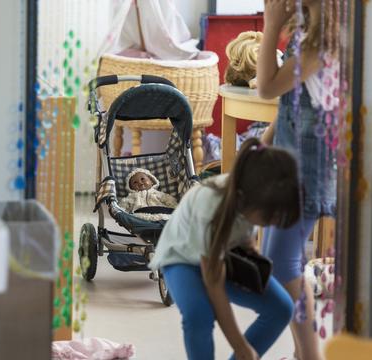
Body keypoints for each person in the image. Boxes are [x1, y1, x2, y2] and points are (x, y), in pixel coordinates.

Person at [150, 138, 301, 360]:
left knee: (281, 308)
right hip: (181, 258)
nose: (272, 223)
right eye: (269, 216)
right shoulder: (210, 204)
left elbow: (243, 234)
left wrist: (252, 252)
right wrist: (241, 346)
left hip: (222, 255)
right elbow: (215, 288)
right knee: (199, 315)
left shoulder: (251, 192)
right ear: (243, 199)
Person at [257, 1, 340, 359]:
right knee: (276, 262)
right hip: (292, 162)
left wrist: (271, 25)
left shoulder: (323, 44)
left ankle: (310, 354)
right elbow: (296, 96)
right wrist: (269, 137)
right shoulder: (309, 32)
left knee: (281, 264)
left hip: (308, 167)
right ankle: (303, 351)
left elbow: (267, 87)